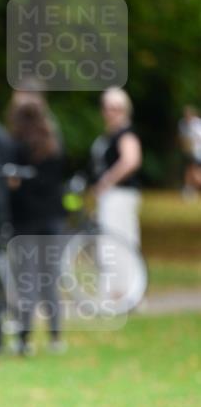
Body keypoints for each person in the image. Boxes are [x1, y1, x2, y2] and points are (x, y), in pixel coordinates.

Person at [8, 100, 67, 355]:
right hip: (53, 221)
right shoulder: (54, 147)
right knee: (49, 278)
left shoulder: (17, 148)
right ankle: (55, 336)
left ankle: (24, 338)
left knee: (27, 280)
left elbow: (15, 187)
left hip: (26, 222)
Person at [89, 87, 143, 301]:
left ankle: (123, 292)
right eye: (108, 107)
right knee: (110, 242)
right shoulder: (109, 135)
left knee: (118, 242)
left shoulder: (126, 133)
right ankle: (117, 291)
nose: (111, 112)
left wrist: (107, 181)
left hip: (120, 194)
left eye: (116, 108)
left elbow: (131, 160)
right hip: (110, 195)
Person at [178, 105, 201, 200]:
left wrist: (190, 143)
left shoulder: (197, 124)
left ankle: (190, 189)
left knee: (195, 172)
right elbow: (181, 138)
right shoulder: (182, 123)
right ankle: (189, 189)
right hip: (188, 152)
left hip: (198, 151)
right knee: (189, 171)